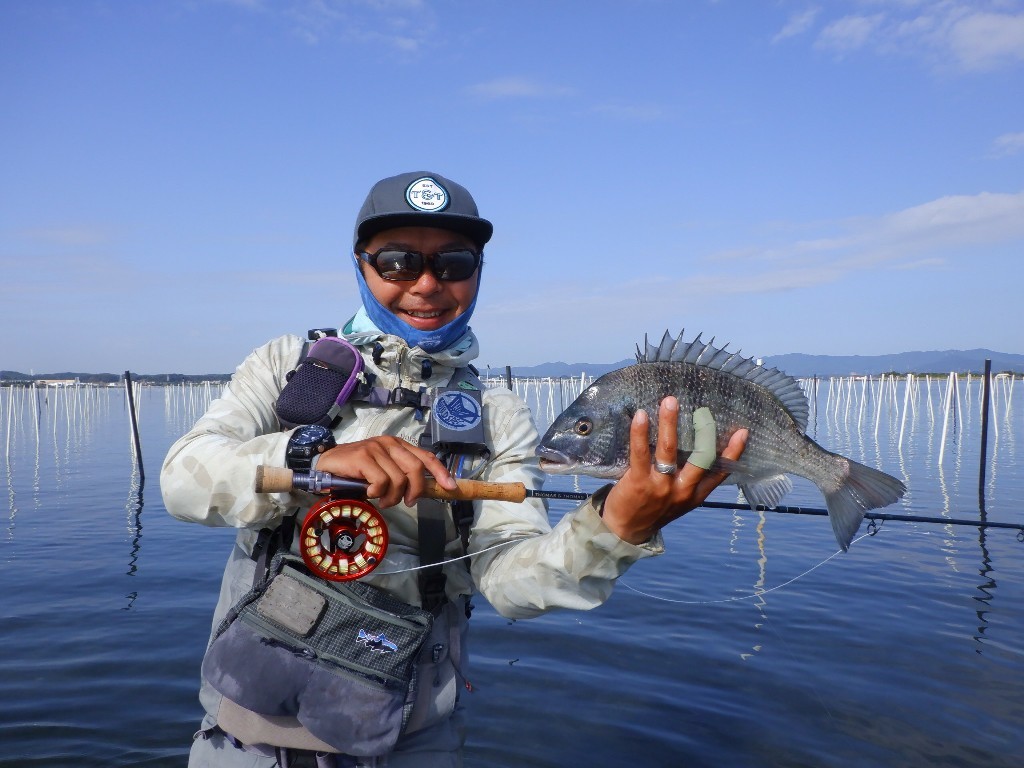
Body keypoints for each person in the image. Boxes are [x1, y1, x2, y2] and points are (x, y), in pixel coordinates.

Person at [161, 170, 747, 768]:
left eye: (454, 263)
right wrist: (308, 456)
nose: (425, 284)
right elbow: (181, 480)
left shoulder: (500, 417)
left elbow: (514, 584)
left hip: (413, 743)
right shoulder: (287, 365)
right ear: (360, 266)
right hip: (246, 740)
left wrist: (616, 527)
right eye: (396, 262)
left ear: (477, 274)